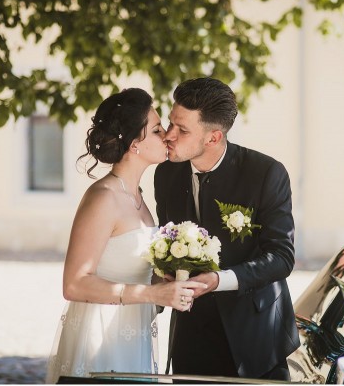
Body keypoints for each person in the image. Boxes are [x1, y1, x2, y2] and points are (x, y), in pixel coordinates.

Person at [46, 88, 207, 384]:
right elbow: (74, 283)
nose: (168, 136)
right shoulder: (103, 198)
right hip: (99, 341)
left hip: (134, 336)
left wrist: (166, 282)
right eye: (158, 130)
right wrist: (151, 293)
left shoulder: (140, 197)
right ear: (135, 145)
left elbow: (131, 267)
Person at [154, 77, 300, 380]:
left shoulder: (265, 173)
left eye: (182, 130)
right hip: (190, 337)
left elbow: (281, 257)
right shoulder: (165, 174)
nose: (168, 135)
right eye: (170, 123)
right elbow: (163, 239)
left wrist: (218, 280)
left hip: (256, 337)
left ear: (213, 137)